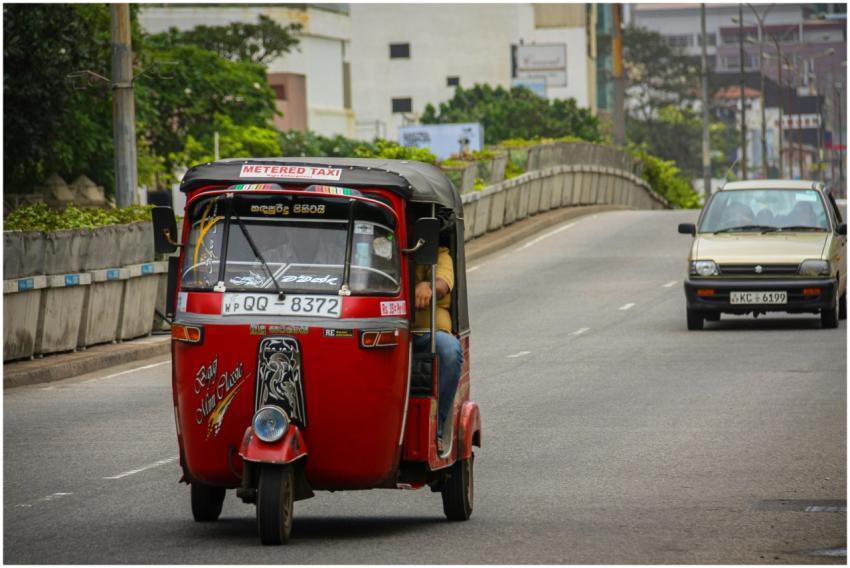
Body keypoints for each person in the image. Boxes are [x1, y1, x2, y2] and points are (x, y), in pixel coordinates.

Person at [412, 245, 463, 442]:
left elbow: (442, 284)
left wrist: (429, 286)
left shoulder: (438, 254)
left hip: (426, 335)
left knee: (449, 349)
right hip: (386, 330)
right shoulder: (373, 245)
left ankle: (436, 428)